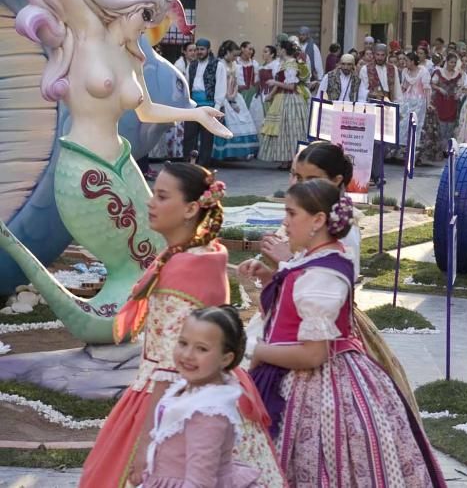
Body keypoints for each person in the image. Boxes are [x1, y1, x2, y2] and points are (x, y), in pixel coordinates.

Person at [81, 164, 281, 487]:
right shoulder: (208, 253)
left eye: (161, 196)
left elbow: (168, 367)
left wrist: (146, 445)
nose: (150, 202)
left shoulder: (182, 267)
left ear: (190, 209)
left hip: (171, 402)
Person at [249, 180, 445, 486]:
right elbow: (293, 309)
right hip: (295, 371)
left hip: (318, 386)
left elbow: (314, 353)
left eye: (291, 213)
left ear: (317, 220)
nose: (284, 222)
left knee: (314, 458)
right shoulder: (316, 260)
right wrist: (270, 277)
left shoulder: (323, 275)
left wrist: (259, 352)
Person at [238, 141, 420, 416]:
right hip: (289, 320)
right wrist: (270, 275)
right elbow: (296, 287)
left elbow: (326, 279)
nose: (302, 185)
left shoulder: (342, 234)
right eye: (298, 177)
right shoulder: (304, 214)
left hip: (320, 330)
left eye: (312, 179)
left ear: (336, 181)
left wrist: (286, 257)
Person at [142, 306, 262, 487]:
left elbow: (200, 482)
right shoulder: (190, 388)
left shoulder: (208, 413)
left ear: (226, 359)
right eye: (183, 343)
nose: (188, 355)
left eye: (202, 349)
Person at [258, 39, 310, 169]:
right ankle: (286, 159)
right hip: (282, 98)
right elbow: (282, 81)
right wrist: (271, 94)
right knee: (284, 130)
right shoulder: (285, 63)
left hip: (290, 99)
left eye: (279, 48)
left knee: (290, 130)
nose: (278, 51)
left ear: (283, 50)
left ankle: (291, 159)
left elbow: (291, 86)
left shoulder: (291, 64)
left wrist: (274, 84)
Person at [212, 40, 260, 161]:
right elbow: (220, 84)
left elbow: (236, 81)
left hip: (234, 94)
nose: (235, 58)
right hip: (223, 95)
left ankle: (234, 153)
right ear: (227, 52)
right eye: (233, 55)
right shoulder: (219, 64)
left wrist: (234, 96)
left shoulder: (233, 65)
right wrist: (229, 99)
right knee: (226, 121)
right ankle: (222, 153)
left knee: (241, 119)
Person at [184, 38, 221, 166]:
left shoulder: (217, 65)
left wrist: (217, 107)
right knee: (189, 136)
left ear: (208, 50)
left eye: (202, 49)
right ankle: (189, 163)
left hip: (209, 104)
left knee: (207, 138)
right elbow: (187, 84)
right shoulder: (192, 65)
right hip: (193, 105)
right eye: (197, 49)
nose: (199, 52)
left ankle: (203, 165)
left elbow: (221, 86)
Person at [399, 52, 433, 164]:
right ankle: (403, 152)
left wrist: (428, 103)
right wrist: (399, 98)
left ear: (413, 61)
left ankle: (414, 153)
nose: (405, 62)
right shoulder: (405, 71)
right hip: (407, 100)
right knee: (403, 124)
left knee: (416, 125)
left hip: (419, 101)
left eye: (407, 60)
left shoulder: (423, 71)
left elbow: (427, 89)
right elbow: (404, 87)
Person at [431, 52, 463, 158]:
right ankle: (440, 149)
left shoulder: (458, 74)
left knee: (450, 126)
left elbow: (461, 87)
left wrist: (458, 93)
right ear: (446, 62)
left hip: (452, 102)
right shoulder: (439, 72)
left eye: (454, 62)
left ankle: (447, 149)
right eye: (451, 62)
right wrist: (440, 89)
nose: (453, 64)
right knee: (441, 126)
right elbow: (432, 83)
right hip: (440, 101)